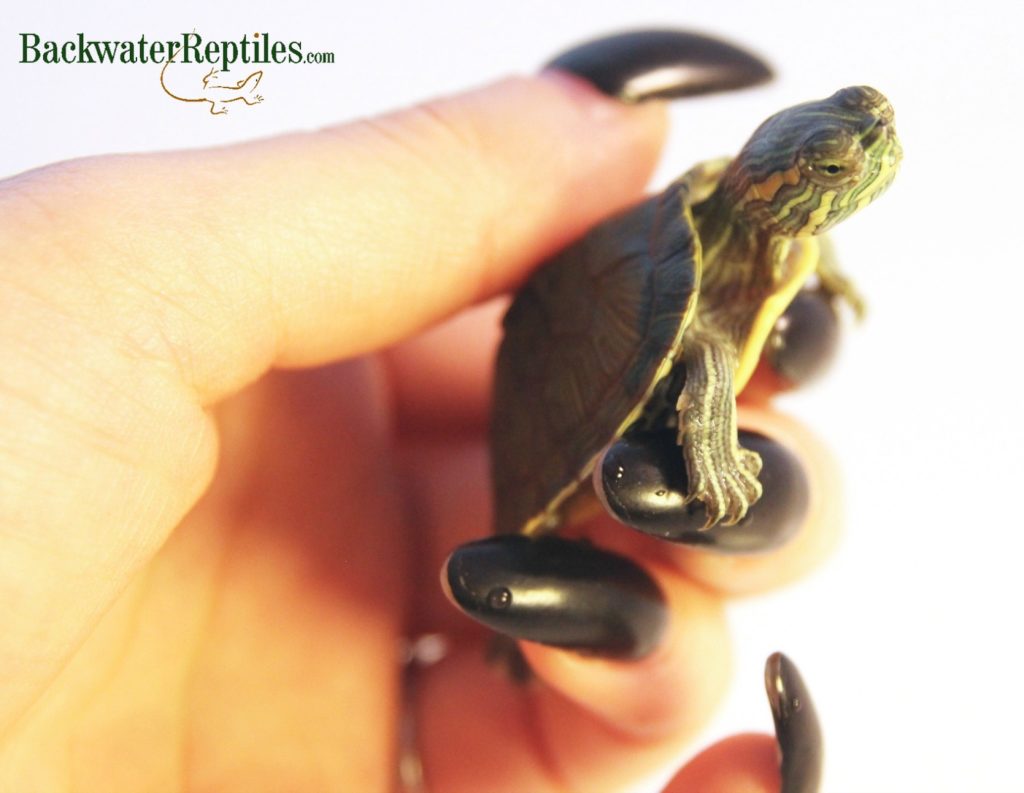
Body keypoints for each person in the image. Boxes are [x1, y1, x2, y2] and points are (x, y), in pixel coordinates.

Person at [0, 73, 836, 791]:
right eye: (836, 167)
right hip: (573, 407)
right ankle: (518, 627)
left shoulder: (771, 239)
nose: (869, 162)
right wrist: (713, 457)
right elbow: (703, 359)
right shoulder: (713, 259)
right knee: (686, 401)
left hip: (555, 369)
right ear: (775, 179)